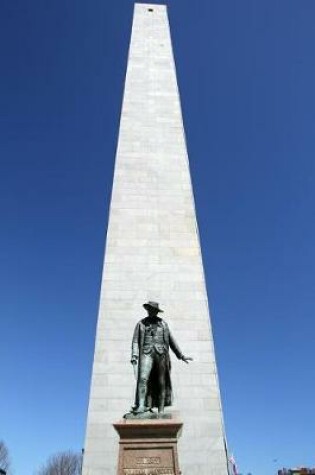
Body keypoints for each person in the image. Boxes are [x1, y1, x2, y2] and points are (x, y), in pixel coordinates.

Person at [131, 301, 192, 414]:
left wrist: (181, 355)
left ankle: (161, 409)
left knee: (161, 382)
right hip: (146, 353)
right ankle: (141, 405)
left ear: (156, 311)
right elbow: (135, 341)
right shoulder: (141, 323)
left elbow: (171, 340)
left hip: (161, 354)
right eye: (149, 309)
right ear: (148, 310)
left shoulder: (163, 324)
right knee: (143, 379)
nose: (151, 311)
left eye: (153, 309)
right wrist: (134, 355)